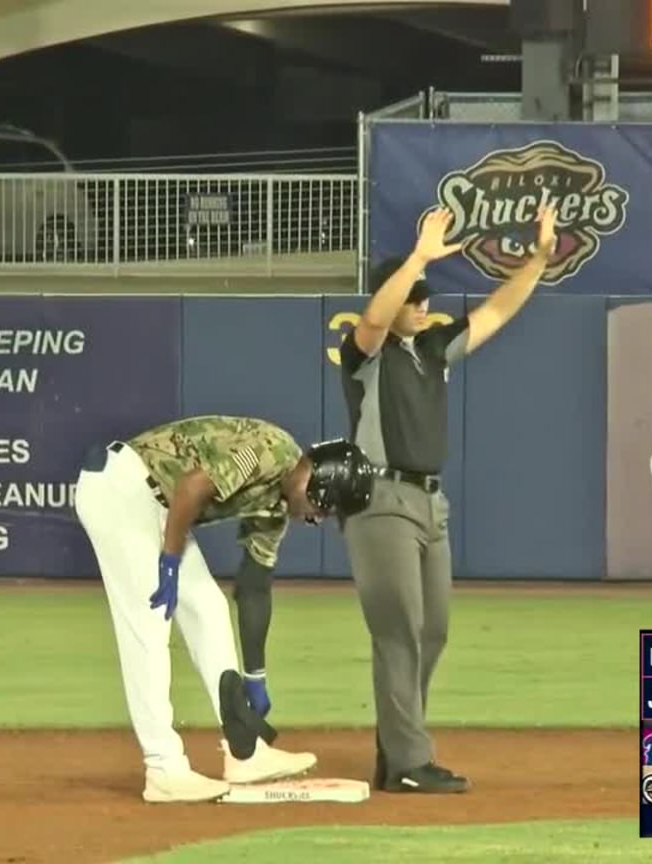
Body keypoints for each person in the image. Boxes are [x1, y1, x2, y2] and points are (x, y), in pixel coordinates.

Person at [338, 204, 559, 794]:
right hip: (379, 497)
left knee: (431, 630)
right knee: (399, 628)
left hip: (431, 504)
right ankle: (410, 761)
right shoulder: (367, 356)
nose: (423, 305)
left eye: (425, 296)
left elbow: (496, 311)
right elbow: (373, 319)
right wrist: (416, 259)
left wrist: (537, 258)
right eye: (414, 298)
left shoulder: (433, 351)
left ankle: (396, 754)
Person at [74, 415, 376, 803]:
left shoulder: (278, 506)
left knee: (209, 608)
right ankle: (163, 768)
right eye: (325, 506)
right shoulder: (270, 452)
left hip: (157, 505)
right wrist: (168, 560)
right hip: (121, 489)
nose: (318, 518)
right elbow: (193, 486)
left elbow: (253, 588)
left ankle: (245, 750)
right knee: (148, 622)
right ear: (317, 482)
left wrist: (255, 677)